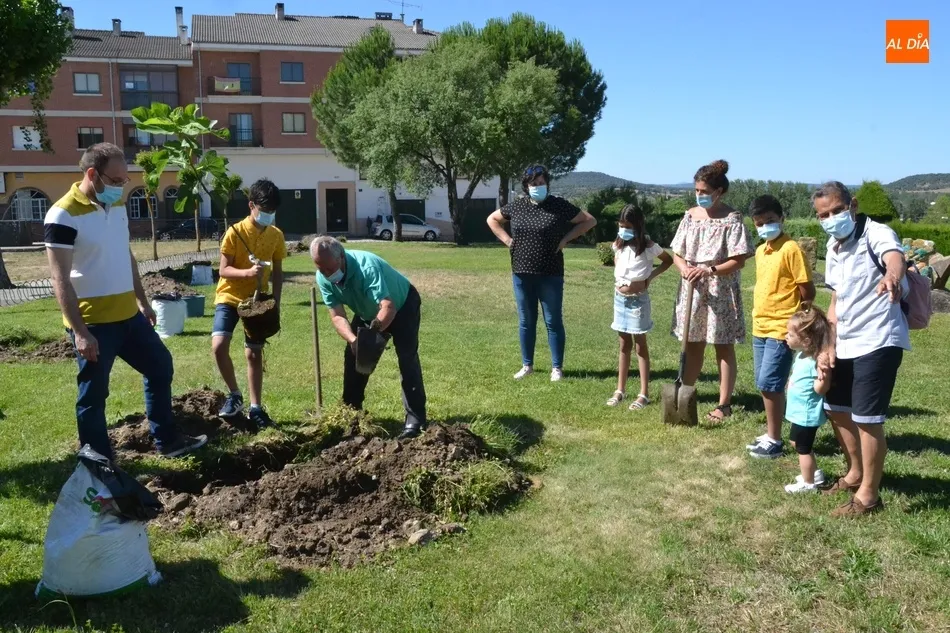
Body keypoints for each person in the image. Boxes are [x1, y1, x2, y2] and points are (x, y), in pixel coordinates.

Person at [44, 143, 207, 459]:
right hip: (93, 323)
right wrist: (80, 332)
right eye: (116, 180)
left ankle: (167, 441)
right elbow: (59, 278)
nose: (121, 187)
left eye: (124, 180)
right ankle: (98, 461)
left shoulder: (116, 208)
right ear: (93, 174)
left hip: (128, 316)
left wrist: (142, 301)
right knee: (93, 395)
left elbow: (126, 256)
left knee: (160, 366)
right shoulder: (62, 214)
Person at [814, 181, 910, 517]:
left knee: (867, 419)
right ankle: (855, 472)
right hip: (845, 340)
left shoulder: (876, 233)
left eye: (837, 210)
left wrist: (891, 276)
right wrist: (827, 344)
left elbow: (894, 258)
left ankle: (869, 496)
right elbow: (836, 300)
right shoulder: (833, 246)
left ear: (852, 205)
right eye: (824, 215)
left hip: (878, 338)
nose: (831, 218)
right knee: (836, 408)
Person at [486, 164, 597, 382]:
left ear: (547, 183)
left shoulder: (558, 205)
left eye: (541, 182)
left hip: (550, 272)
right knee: (526, 321)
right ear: (526, 186)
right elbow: (492, 219)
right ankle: (527, 365)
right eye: (533, 183)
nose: (538, 186)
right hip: (521, 272)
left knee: (553, 320)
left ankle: (557, 368)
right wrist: (507, 240)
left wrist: (566, 239)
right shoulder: (517, 206)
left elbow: (589, 220)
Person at [311, 236, 426, 439]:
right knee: (353, 355)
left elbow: (388, 307)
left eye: (329, 268)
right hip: (368, 312)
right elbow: (337, 316)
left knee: (407, 357)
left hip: (402, 304)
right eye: (321, 269)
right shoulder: (323, 278)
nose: (327, 274)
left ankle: (415, 420)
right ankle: (351, 413)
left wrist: (372, 337)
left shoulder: (366, 267)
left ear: (341, 257)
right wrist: (355, 341)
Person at [670, 159, 755, 423]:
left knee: (722, 345)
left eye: (705, 191)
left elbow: (739, 259)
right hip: (692, 288)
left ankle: (724, 404)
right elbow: (677, 253)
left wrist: (709, 270)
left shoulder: (732, 219)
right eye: (697, 190)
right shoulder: (689, 216)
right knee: (693, 343)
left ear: (719, 192)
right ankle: (684, 395)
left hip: (721, 288)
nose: (700, 195)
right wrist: (684, 268)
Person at [212, 178, 286, 427]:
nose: (269, 215)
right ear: (251, 205)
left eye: (273, 211)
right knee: (219, 345)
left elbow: (278, 272)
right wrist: (247, 273)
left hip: (256, 301)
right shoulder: (234, 233)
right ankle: (234, 395)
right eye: (265, 210)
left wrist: (275, 301)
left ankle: (256, 409)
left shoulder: (276, 235)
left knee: (254, 353)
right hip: (230, 296)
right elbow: (223, 270)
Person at [746, 195, 816, 458]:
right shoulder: (760, 251)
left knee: (770, 383)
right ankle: (770, 432)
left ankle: (775, 440)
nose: (765, 226)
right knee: (763, 383)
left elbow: (806, 289)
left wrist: (800, 319)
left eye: (770, 220)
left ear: (782, 218)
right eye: (759, 223)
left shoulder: (791, 249)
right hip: (760, 325)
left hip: (782, 328)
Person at [605, 204, 674, 410]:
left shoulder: (648, 246)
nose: (623, 230)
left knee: (640, 345)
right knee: (623, 344)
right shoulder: (618, 244)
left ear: (638, 226)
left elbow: (667, 260)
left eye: (628, 227)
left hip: (638, 301)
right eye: (621, 226)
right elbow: (618, 263)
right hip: (620, 299)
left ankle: (644, 393)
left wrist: (649, 277)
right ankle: (620, 389)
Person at [783, 305, 833, 493]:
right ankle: (814, 473)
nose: (786, 336)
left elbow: (820, 389)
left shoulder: (816, 362)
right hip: (798, 411)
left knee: (803, 448)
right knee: (796, 443)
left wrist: (824, 378)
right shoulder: (801, 355)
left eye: (790, 334)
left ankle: (809, 483)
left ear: (806, 341)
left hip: (807, 412)